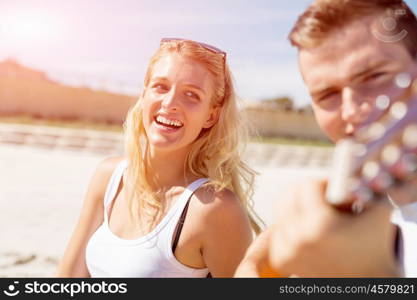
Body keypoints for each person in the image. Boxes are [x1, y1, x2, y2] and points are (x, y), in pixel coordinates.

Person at [235, 0, 417, 277]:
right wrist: (252, 263)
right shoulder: (369, 197)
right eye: (327, 95)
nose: (352, 110)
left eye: (376, 76)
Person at [56, 38, 263, 278]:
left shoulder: (213, 209)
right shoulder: (109, 177)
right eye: (161, 87)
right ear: (144, 95)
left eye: (191, 95)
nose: (170, 103)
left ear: (211, 116)